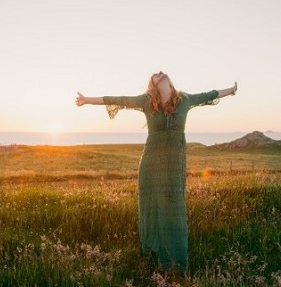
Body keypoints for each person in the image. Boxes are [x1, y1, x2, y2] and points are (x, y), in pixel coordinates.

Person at [75, 71, 237, 275]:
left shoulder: (185, 99)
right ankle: (153, 256)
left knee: (174, 207)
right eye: (155, 75)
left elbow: (208, 95)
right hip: (151, 164)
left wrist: (230, 90)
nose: (160, 73)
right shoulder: (147, 101)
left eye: (161, 72)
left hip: (174, 163)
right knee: (152, 207)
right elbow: (118, 99)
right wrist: (87, 100)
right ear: (152, 84)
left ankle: (176, 264)